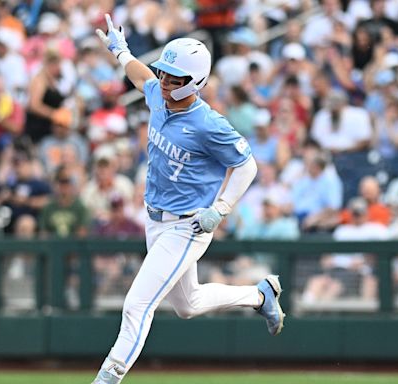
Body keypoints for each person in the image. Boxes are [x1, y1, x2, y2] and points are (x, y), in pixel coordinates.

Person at [91, 14, 284, 384]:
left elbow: (247, 167)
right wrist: (121, 51)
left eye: (174, 79)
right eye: (164, 74)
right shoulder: (160, 98)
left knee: (136, 305)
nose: (164, 82)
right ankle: (260, 296)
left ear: (194, 82)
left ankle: (108, 378)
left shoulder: (209, 124)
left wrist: (221, 209)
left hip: (188, 224)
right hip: (155, 219)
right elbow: (141, 77)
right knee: (188, 304)